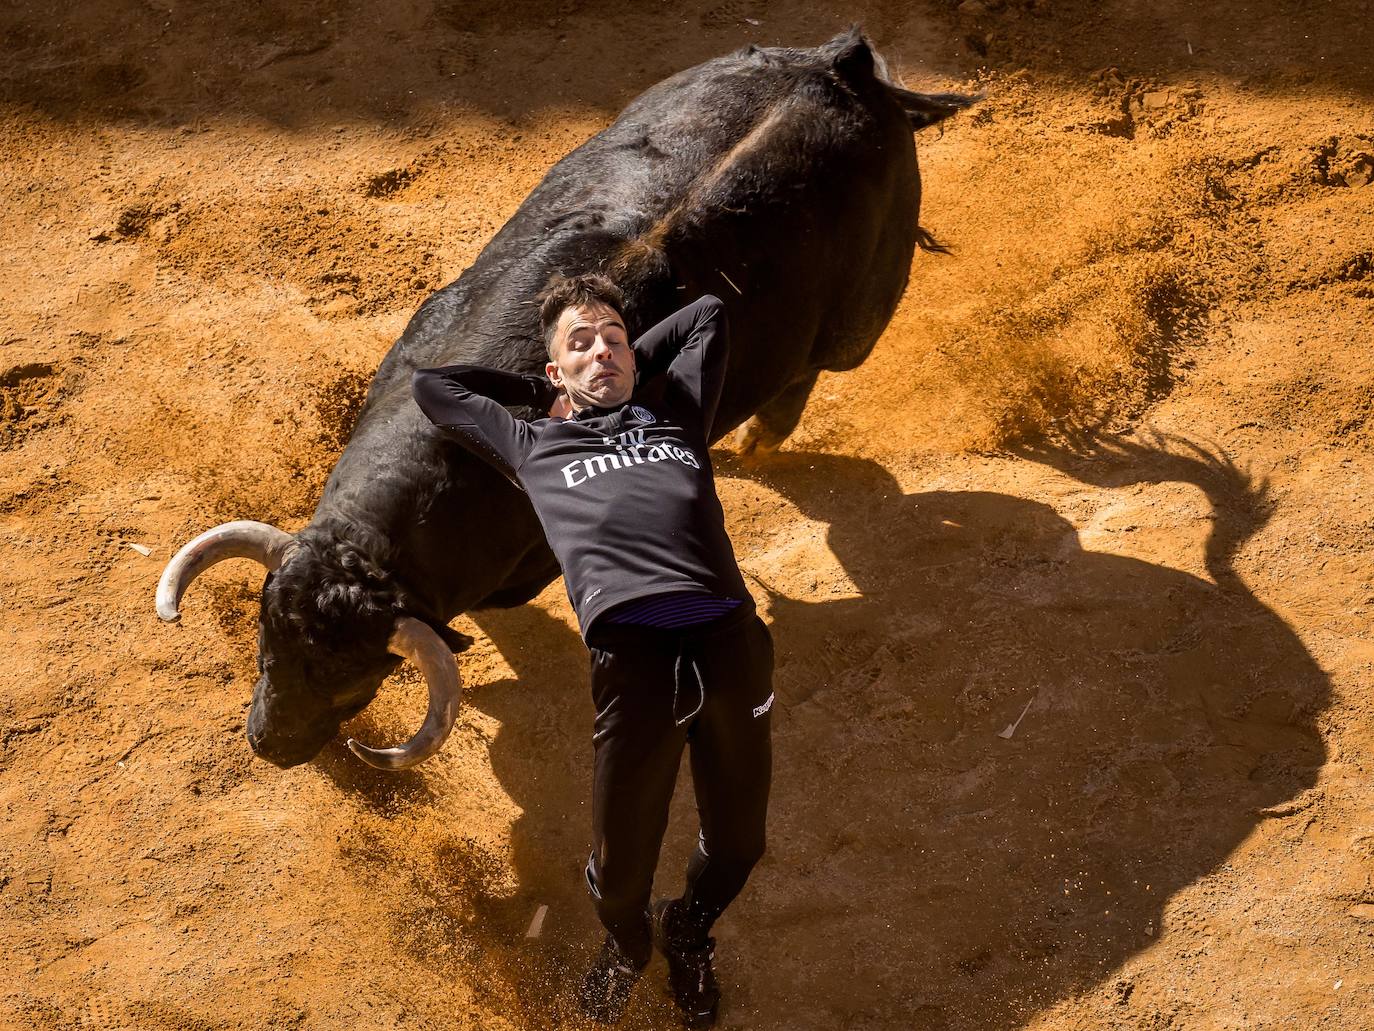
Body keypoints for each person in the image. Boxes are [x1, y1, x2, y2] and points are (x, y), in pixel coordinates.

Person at [411, 273, 774, 1028]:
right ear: (554, 372)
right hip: (633, 666)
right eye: (582, 343)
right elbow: (434, 387)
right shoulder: (533, 442)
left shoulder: (676, 413)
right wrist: (550, 389)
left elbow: (707, 314)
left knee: (739, 845)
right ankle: (629, 946)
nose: (602, 349)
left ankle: (687, 932)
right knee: (617, 881)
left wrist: (622, 365)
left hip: (730, 646)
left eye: (613, 339)